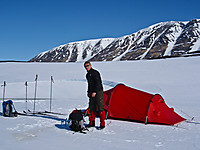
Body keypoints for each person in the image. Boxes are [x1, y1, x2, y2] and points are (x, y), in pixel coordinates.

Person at [84, 61, 106, 129]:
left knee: (100, 107)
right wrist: (88, 91)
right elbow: (89, 84)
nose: (86, 67)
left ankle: (102, 124)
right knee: (91, 107)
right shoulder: (88, 75)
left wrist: (94, 91)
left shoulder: (95, 73)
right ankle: (91, 122)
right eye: (85, 66)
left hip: (98, 91)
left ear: (90, 65)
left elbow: (98, 83)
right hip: (92, 92)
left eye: (87, 66)